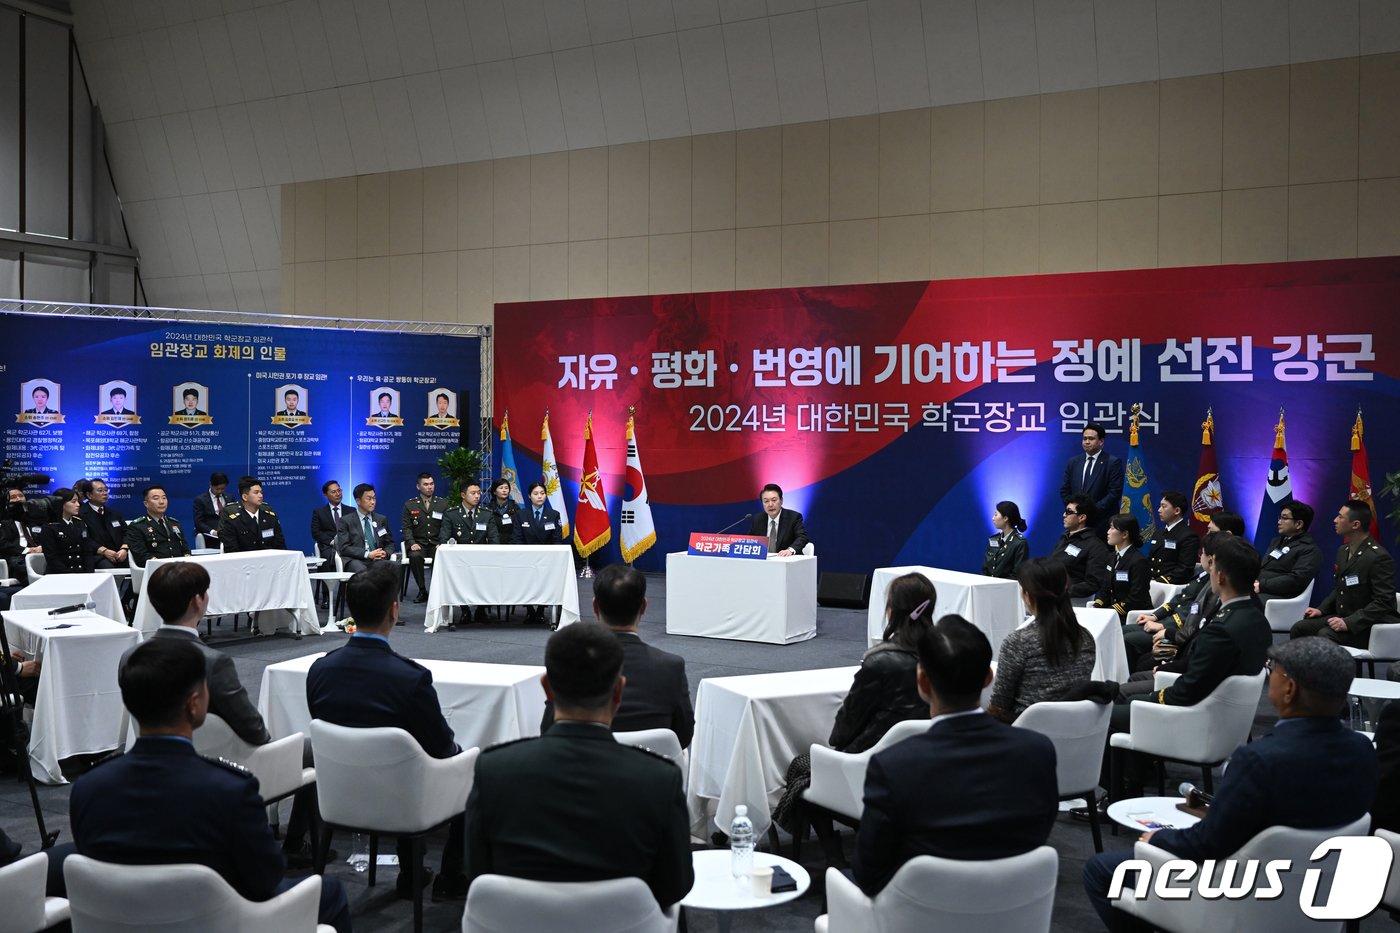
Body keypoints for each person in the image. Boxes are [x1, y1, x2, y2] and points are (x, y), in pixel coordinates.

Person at [47, 638, 351, 931]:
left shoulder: (88, 789)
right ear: (195, 704)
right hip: (221, 921)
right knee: (331, 893)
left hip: (121, 920)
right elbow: (266, 878)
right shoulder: (231, 791)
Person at [1083, 637, 1376, 932]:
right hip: (1317, 894)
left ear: (1289, 689)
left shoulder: (1259, 761)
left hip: (1236, 891)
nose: (1270, 673)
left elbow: (1207, 845)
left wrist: (1157, 840)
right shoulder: (1363, 751)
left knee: (1101, 871)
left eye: (1274, 669)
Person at [466, 622, 694, 909]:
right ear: (619, 690)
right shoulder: (661, 780)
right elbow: (676, 885)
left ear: (546, 687)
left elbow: (478, 874)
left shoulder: (494, 770)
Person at [850, 614, 1058, 897]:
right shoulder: (1038, 751)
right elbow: (1037, 836)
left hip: (918, 913)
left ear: (922, 683)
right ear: (988, 678)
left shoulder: (893, 766)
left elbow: (868, 873)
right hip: (1014, 907)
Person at [306, 562, 468, 899]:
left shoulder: (319, 671)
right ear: (394, 610)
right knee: (470, 767)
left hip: (339, 793)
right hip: (404, 799)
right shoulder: (410, 678)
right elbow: (441, 749)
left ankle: (414, 871)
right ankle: (450, 878)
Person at [139, 562, 319, 862]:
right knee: (311, 748)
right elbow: (254, 730)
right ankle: (298, 842)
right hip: (229, 766)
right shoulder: (212, 662)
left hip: (159, 762)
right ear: (199, 600)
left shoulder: (131, 656)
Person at [1082, 536, 1270, 814]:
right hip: (1221, 717)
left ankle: (1117, 796)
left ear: (1219, 576)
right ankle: (1133, 778)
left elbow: (1186, 692)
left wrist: (1149, 698)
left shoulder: (1222, 628)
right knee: (1129, 700)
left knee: (1110, 713)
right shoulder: (1255, 616)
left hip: (1199, 720)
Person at [772, 572, 934, 837]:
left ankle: (833, 852)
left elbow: (842, 732)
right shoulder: (945, 652)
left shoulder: (880, 662)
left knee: (801, 767)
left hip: (871, 767)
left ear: (891, 610)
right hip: (928, 763)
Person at [540, 564, 693, 744]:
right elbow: (683, 735)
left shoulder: (569, 660)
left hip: (577, 765)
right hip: (648, 767)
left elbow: (549, 730)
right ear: (643, 606)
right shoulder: (670, 666)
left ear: (595, 606)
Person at [988, 558, 1096, 721]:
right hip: (1075, 730)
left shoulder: (1018, 642)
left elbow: (999, 706)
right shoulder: (1085, 638)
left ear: (1028, 595)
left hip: (1024, 734)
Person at [1290, 498, 1400, 648]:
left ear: (1355, 524)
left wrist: (1349, 622)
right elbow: (1341, 588)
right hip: (1346, 616)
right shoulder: (1343, 550)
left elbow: (1384, 602)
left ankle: (1331, 672)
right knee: (1300, 627)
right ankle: (1300, 671)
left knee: (1326, 634)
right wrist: (1321, 610)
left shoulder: (1378, 557)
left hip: (1371, 625)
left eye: (1340, 517)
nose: (1335, 520)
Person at [1125, 529, 1229, 677]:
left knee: (1132, 646)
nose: (1200, 556)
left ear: (1212, 559)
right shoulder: (1202, 576)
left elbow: (1196, 620)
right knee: (1124, 631)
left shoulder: (1214, 587)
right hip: (1179, 631)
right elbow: (1180, 599)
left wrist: (1166, 629)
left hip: (1182, 636)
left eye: (1203, 552)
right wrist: (1155, 616)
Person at [1092, 514, 1152, 671]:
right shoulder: (1112, 557)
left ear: (1125, 534)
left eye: (1112, 528)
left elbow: (1136, 598)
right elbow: (1105, 589)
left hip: (1130, 614)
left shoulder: (1138, 561)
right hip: (1112, 612)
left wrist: (1109, 612)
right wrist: (1098, 607)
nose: (1108, 532)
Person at [439, 480, 498, 624]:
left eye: (479, 493)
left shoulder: (486, 514)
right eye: (473, 493)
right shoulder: (451, 514)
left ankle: (481, 609)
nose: (477, 496)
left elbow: (494, 538)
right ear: (463, 495)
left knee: (489, 572)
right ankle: (464, 609)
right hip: (459, 560)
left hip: (482, 559)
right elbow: (444, 538)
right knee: (456, 575)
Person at [1059, 422, 1124, 538]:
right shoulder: (1073, 462)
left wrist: (1090, 511)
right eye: (1084, 439)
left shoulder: (1112, 462)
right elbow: (1065, 490)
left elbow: (1114, 493)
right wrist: (1074, 511)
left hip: (1101, 523)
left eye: (1091, 439)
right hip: (1076, 522)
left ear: (1101, 441)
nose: (1087, 442)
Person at [1255, 499, 1321, 603]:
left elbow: (1296, 580)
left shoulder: (1309, 549)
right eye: (1279, 517)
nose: (1279, 522)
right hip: (1260, 588)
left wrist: (1262, 585)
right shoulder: (1276, 541)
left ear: (1299, 524)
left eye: (1284, 518)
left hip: (1280, 596)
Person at [1049, 495, 1109, 598]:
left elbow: (1093, 583)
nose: (1064, 515)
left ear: (1082, 517)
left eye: (1069, 512)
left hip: (1072, 602)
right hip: (1051, 596)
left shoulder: (1096, 546)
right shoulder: (1065, 537)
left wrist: (1062, 591)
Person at [401, 472, 448, 604]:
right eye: (426, 484)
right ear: (418, 486)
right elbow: (407, 528)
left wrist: (442, 542)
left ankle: (436, 590)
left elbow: (446, 527)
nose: (429, 487)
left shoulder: (442, 503)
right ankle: (422, 590)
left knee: (440, 555)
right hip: (418, 543)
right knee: (415, 556)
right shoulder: (410, 505)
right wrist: (411, 543)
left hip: (436, 544)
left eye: (431, 484)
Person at [337, 483, 394, 577]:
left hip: (378, 559)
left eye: (374, 498)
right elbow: (344, 548)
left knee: (396, 567)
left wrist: (386, 553)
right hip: (357, 560)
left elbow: (390, 543)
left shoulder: (381, 519)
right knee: (363, 571)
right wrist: (367, 554)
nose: (373, 502)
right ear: (358, 501)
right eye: (369, 498)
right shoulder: (346, 521)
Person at [125, 485, 191, 566]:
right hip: (156, 570)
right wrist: (162, 565)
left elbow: (185, 549)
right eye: (156, 498)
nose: (161, 502)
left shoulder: (174, 523)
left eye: (164, 498)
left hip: (180, 568)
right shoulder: (137, 526)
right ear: (146, 504)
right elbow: (141, 556)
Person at [216, 477, 287, 552]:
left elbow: (280, 546)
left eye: (261, 492)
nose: (260, 496)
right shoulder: (234, 522)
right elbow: (232, 551)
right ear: (245, 497)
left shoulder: (270, 518)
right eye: (256, 492)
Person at [1145, 491, 1199, 584]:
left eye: (1164, 506)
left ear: (1177, 511)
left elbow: (1184, 569)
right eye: (1160, 506)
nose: (1159, 510)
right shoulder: (1158, 533)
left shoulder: (1188, 536)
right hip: (1153, 583)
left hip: (1170, 586)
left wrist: (1158, 582)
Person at [40, 488, 95, 573]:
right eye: (73, 501)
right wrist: (70, 575)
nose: (78, 505)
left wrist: (90, 573)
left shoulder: (80, 523)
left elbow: (87, 552)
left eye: (78, 501)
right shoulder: (50, 526)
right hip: (60, 574)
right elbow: (52, 557)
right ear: (60, 503)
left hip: (80, 571)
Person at [79, 477, 129, 569]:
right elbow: (84, 539)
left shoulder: (114, 513)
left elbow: (126, 532)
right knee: (107, 567)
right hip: (97, 556)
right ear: (89, 495)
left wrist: (124, 549)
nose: (105, 493)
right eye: (100, 491)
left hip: (119, 554)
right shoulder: (80, 514)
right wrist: (104, 551)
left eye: (106, 490)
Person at [748, 483, 810, 556]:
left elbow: (802, 537)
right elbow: (750, 540)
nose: (770, 505)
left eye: (774, 500)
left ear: (781, 501)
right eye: (766, 501)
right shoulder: (758, 519)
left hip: (786, 561)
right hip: (764, 562)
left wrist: (790, 550)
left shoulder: (793, 517)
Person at [981, 500, 1029, 579]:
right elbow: (985, 569)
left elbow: (1017, 575)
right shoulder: (994, 539)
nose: (993, 518)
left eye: (996, 514)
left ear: (1005, 518)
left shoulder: (1019, 543)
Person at [310, 479, 345, 572]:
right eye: (334, 492)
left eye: (339, 490)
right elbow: (316, 533)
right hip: (329, 546)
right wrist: (332, 542)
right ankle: (330, 585)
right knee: (330, 556)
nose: (338, 494)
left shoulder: (351, 511)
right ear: (325, 495)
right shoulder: (319, 512)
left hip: (348, 545)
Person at [192, 471, 230, 542]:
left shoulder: (229, 498)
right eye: (217, 489)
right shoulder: (200, 500)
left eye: (222, 489)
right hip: (209, 538)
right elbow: (199, 522)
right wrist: (213, 532)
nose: (220, 491)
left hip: (227, 537)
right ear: (210, 485)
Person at [486, 477, 520, 543]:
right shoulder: (488, 509)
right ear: (494, 492)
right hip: (493, 545)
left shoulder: (515, 508)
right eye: (501, 488)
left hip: (512, 545)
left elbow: (518, 531)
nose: (504, 490)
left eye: (506, 488)